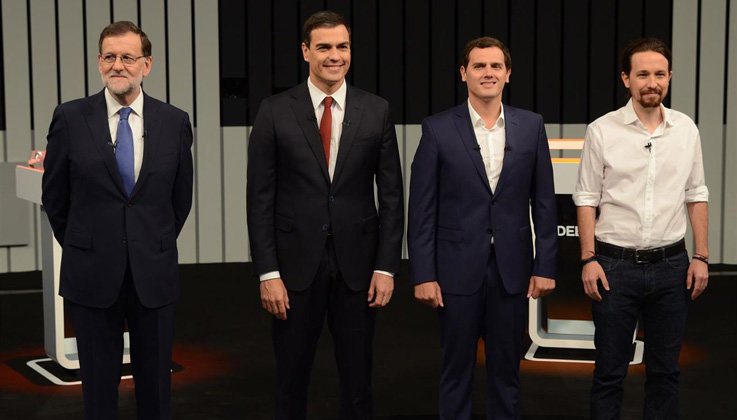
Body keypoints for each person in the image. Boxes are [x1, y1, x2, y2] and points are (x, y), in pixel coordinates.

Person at [246, 10, 404, 419]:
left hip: (359, 267)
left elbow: (391, 196)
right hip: (294, 268)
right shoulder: (274, 110)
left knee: (357, 380)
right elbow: (259, 199)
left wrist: (386, 267)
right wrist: (268, 273)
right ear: (305, 52)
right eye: (324, 47)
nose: (335, 56)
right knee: (291, 380)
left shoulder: (377, 110)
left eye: (342, 47)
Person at [41, 21, 193, 419]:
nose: (118, 65)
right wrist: (86, 242)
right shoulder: (70, 118)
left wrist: (148, 241)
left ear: (147, 64)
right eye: (109, 56)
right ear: (98, 62)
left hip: (153, 272)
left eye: (128, 57)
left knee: (156, 385)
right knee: (97, 388)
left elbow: (180, 199)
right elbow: (55, 198)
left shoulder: (174, 122)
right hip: (91, 272)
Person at [408, 37, 558, 420]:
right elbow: (422, 210)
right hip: (455, 270)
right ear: (464, 74)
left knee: (507, 371)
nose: (488, 73)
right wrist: (423, 273)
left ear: (508, 74)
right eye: (479, 66)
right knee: (456, 370)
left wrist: (545, 266)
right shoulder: (437, 129)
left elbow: (543, 202)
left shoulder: (531, 126)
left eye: (495, 66)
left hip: (512, 271)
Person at [574, 37, 709, 420]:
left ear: (669, 78)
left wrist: (701, 255)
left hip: (672, 267)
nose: (652, 82)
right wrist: (588, 259)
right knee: (609, 373)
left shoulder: (686, 129)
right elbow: (586, 198)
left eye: (660, 74)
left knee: (666, 373)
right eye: (643, 74)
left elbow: (696, 192)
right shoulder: (602, 130)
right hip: (614, 267)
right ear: (626, 79)